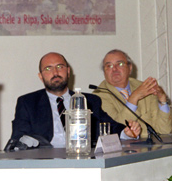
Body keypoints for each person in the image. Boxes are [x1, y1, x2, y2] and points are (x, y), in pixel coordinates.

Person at [8, 52, 141, 149]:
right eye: (48, 69)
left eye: (60, 67)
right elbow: (18, 138)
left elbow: (110, 126)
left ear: (68, 71)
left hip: (83, 157)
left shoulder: (90, 100)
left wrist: (127, 133)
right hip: (45, 161)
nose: (55, 72)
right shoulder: (28, 103)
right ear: (41, 76)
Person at [93, 49, 172, 139]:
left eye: (120, 64)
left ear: (130, 68)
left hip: (152, 145)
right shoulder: (98, 97)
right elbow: (115, 131)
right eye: (109, 66)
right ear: (104, 72)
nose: (114, 69)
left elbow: (164, 131)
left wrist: (162, 100)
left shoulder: (145, 88)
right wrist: (134, 98)